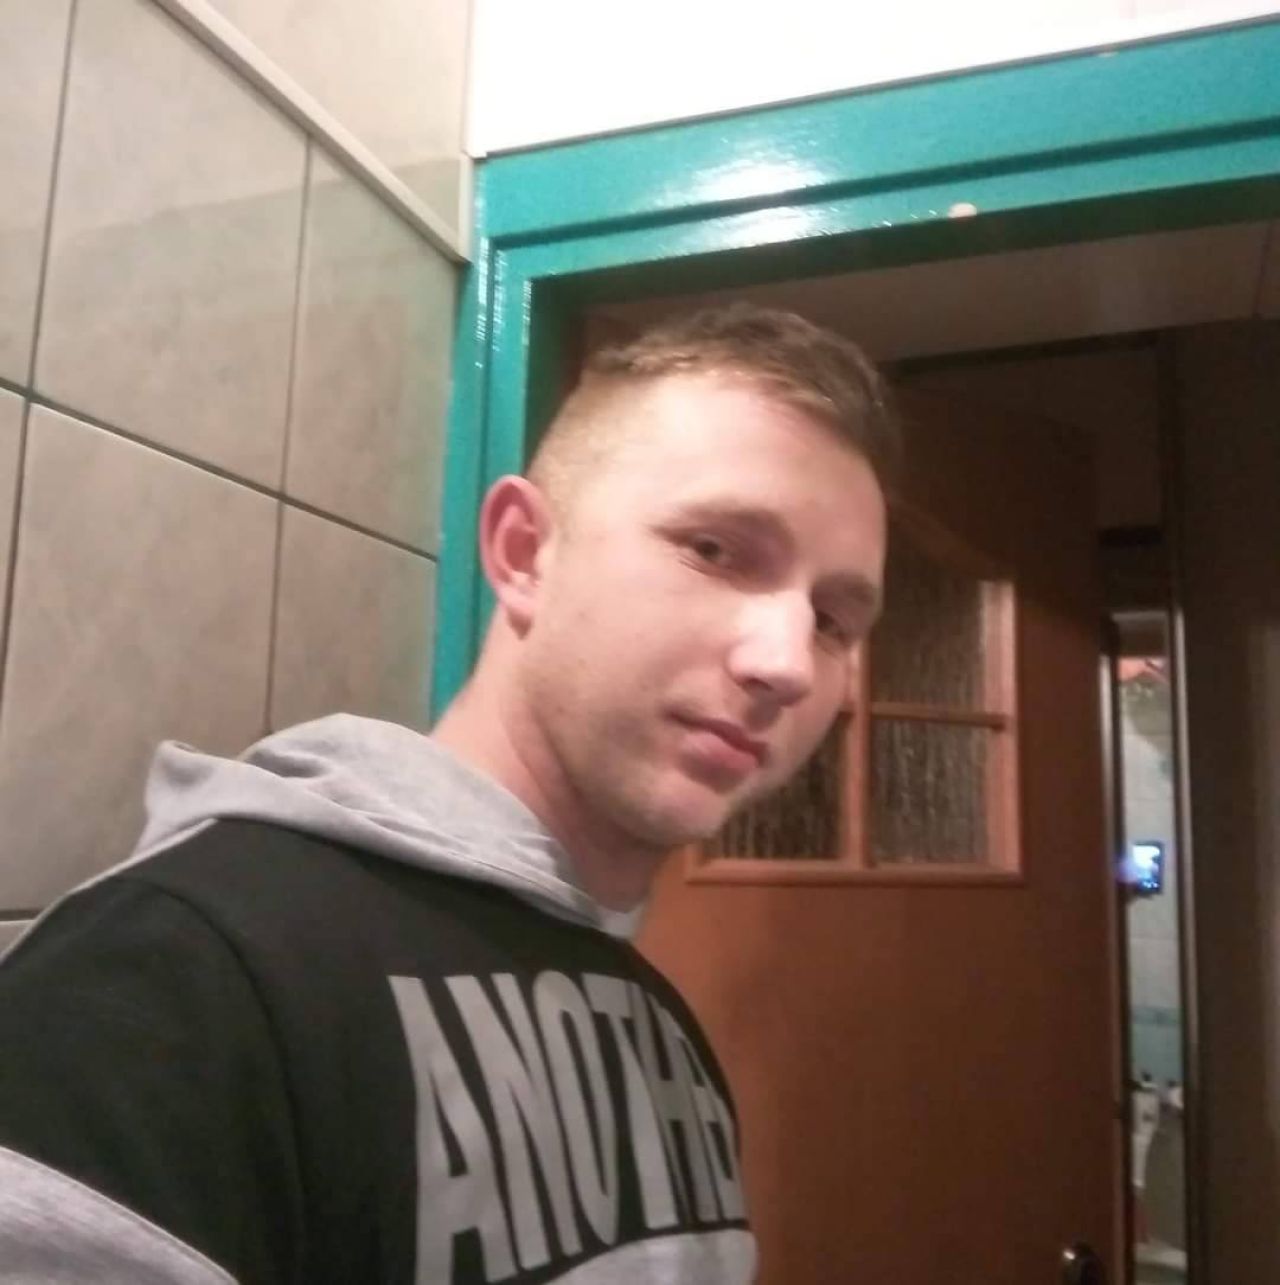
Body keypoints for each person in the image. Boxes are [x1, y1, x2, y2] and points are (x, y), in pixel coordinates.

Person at [0, 304, 898, 1284]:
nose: (786, 664)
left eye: (832, 619)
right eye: (714, 550)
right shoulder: (172, 977)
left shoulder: (662, 1034)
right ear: (522, 552)